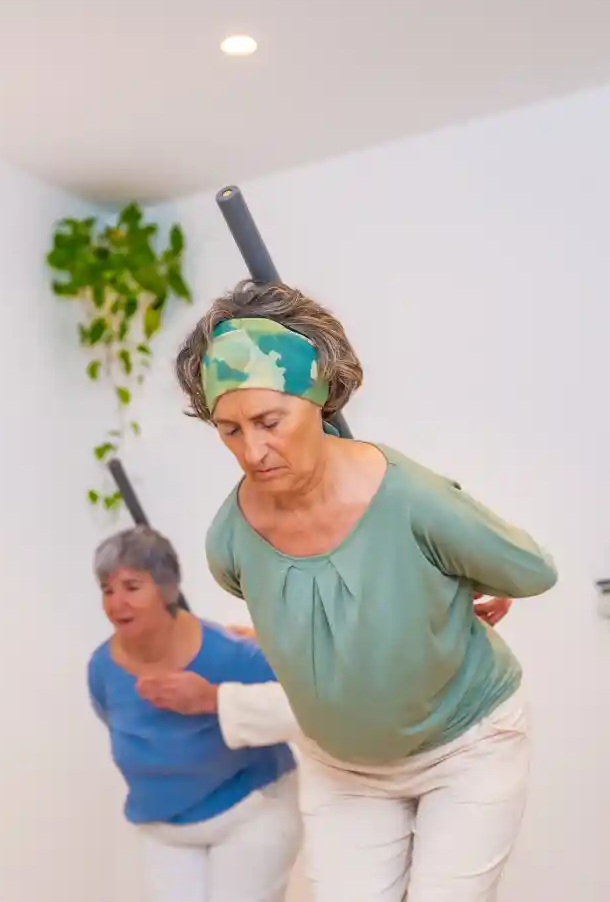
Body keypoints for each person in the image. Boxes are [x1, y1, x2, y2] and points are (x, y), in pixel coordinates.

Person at [171, 280, 559, 902]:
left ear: (318, 397)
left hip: (465, 746)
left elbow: (532, 570)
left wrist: (456, 574)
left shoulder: (411, 497)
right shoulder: (231, 539)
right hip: (341, 767)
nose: (253, 450)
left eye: (270, 421)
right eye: (230, 430)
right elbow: (315, 620)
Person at [85, 525, 302, 902]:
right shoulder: (102, 669)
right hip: (164, 827)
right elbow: (113, 720)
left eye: (132, 587)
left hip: (250, 813)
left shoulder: (229, 652)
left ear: (167, 590)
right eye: (108, 590)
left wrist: (213, 699)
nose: (117, 602)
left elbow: (302, 705)